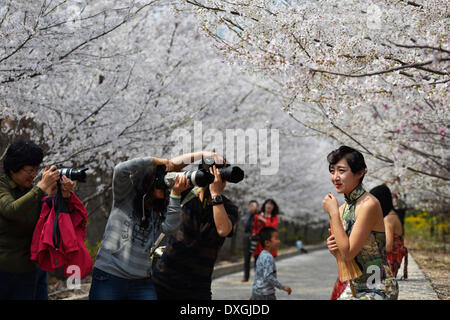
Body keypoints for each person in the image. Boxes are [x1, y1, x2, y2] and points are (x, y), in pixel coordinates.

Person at [89, 151, 215, 300]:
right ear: (150, 179)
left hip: (141, 279)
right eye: (164, 178)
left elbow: (170, 228)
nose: (167, 183)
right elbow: (120, 169)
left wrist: (175, 195)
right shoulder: (125, 196)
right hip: (110, 275)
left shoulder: (159, 208)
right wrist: (154, 161)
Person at [152, 156, 239, 300]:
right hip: (164, 279)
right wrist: (200, 154)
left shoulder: (228, 208)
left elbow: (223, 230)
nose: (218, 177)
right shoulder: (184, 192)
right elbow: (165, 168)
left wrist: (216, 194)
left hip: (198, 285)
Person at [323, 146, 398, 300]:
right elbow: (344, 255)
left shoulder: (369, 204)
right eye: (332, 171)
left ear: (360, 172)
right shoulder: (343, 208)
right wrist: (333, 248)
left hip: (379, 287)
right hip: (355, 287)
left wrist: (333, 213)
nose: (335, 177)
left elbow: (349, 252)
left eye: (341, 171)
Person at [0, 140, 62, 300]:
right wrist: (40, 188)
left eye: (36, 170)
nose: (34, 175)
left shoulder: (33, 191)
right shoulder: (3, 186)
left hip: (28, 272)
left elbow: (48, 223)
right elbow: (11, 210)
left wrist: (55, 195)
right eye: (30, 170)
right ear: (14, 168)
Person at [370, 184, 408, 279]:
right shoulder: (394, 215)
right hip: (392, 265)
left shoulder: (388, 219)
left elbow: (388, 247)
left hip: (388, 267)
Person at [250, 227, 291, 300]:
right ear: (267, 243)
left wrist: (253, 295)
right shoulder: (268, 257)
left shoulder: (261, 255)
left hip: (257, 293)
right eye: (276, 238)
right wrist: (282, 287)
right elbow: (268, 276)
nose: (279, 241)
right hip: (266, 295)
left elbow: (258, 275)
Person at [241, 199, 259, 282]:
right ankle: (246, 276)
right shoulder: (246, 215)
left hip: (257, 238)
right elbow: (246, 225)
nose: (254, 207)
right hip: (247, 238)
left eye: (255, 205)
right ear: (249, 206)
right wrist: (252, 213)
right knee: (247, 258)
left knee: (257, 258)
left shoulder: (260, 215)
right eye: (252, 205)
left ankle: (257, 276)